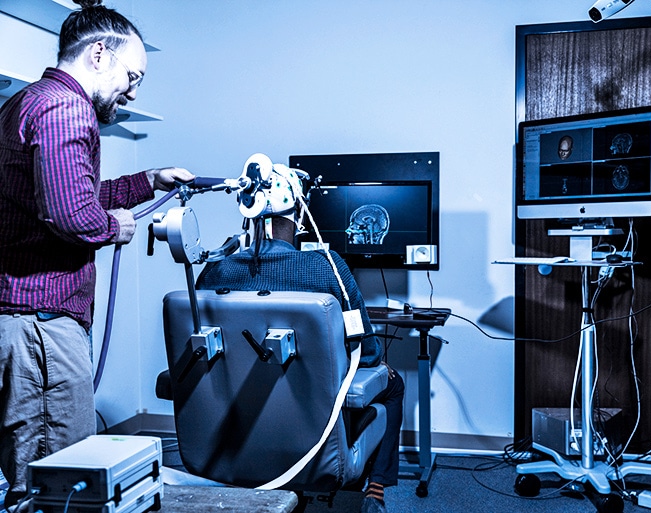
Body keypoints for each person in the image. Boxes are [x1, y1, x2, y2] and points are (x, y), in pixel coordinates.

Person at [0, 1, 194, 510]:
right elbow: (70, 214)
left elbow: (64, 193)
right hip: (40, 321)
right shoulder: (67, 108)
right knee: (59, 478)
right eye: (132, 75)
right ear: (99, 53)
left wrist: (145, 182)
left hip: (29, 316)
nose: (132, 90)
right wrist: (115, 226)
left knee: (41, 473)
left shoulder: (30, 100)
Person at [196, 165, 404, 513]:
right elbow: (365, 352)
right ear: (297, 211)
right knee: (392, 384)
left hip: (235, 419)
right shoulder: (326, 266)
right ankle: (375, 490)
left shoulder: (215, 271)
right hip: (311, 408)